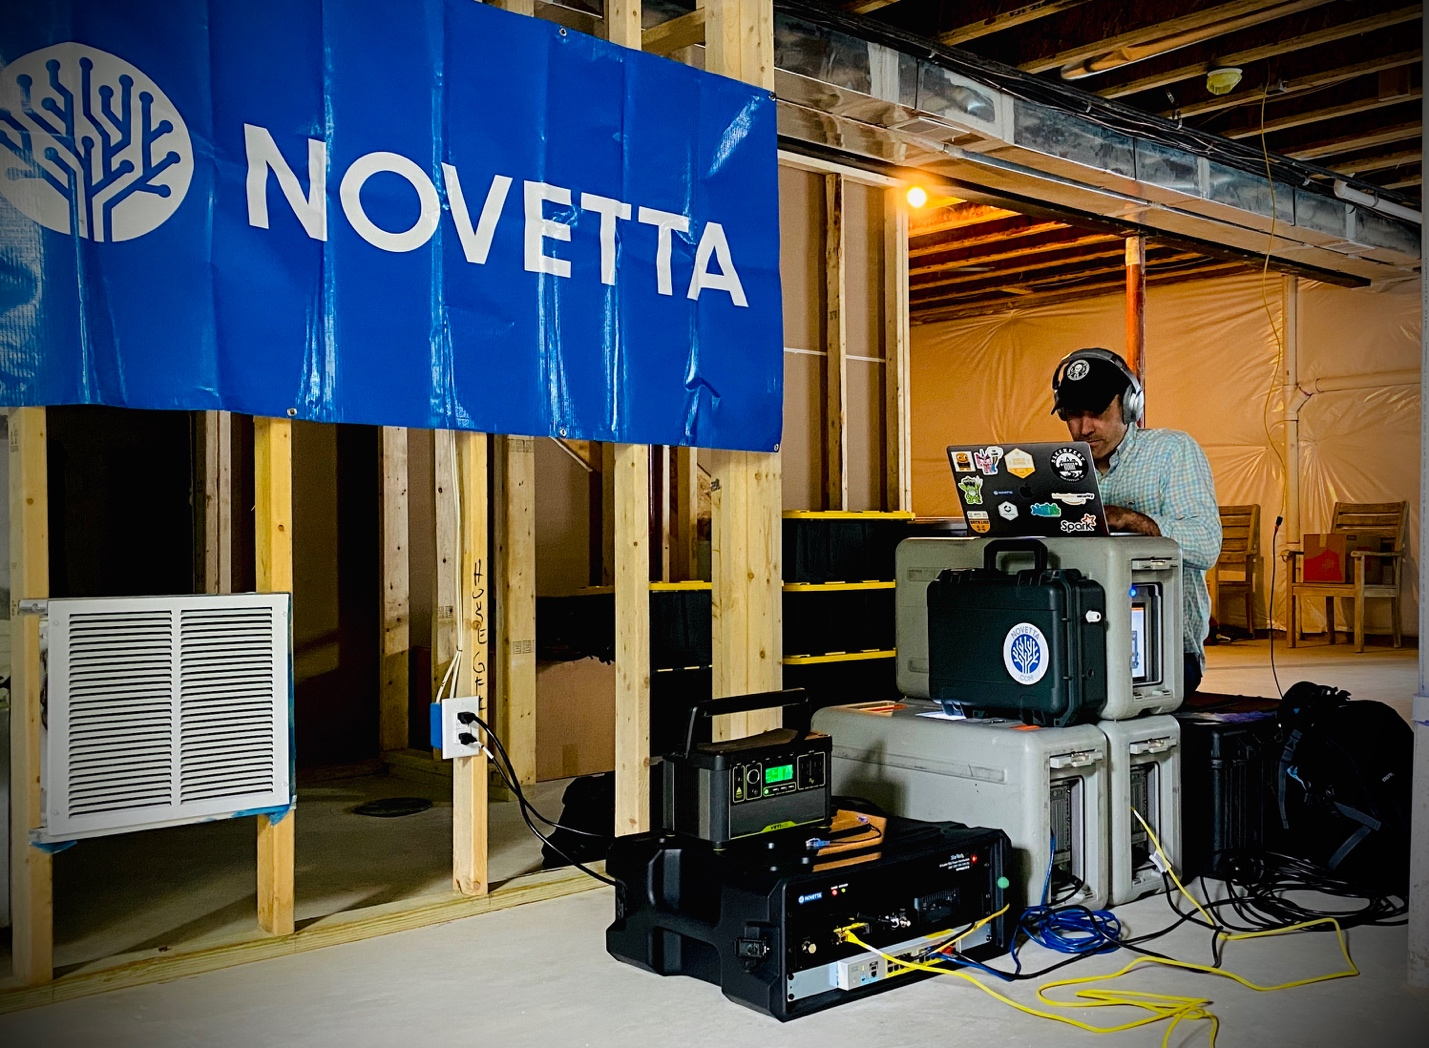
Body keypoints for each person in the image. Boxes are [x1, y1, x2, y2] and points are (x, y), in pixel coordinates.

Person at [1050, 347, 1221, 695]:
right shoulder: (1058, 470)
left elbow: (1206, 545)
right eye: (1072, 414)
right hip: (1076, 643)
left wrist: (1132, 520)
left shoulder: (1171, 451)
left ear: (1130, 405)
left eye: (1097, 412)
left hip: (1165, 652)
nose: (1083, 428)